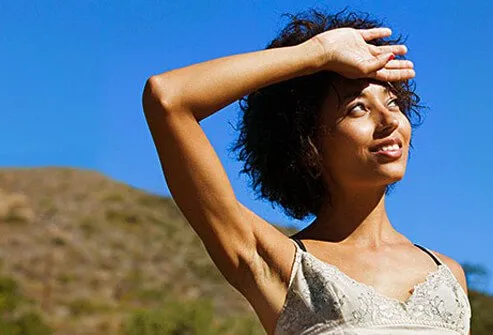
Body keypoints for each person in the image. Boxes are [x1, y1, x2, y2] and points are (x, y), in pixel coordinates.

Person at [141, 8, 471, 335]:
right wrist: (316, 54)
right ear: (308, 145)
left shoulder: (449, 274)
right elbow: (168, 98)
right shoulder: (278, 263)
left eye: (393, 102)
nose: (389, 122)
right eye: (358, 108)